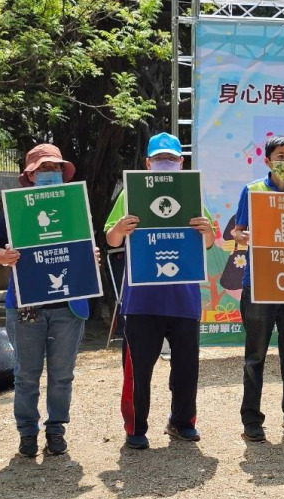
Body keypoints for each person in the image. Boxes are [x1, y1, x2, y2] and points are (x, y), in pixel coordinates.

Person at [104, 132, 216, 449]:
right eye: (159, 159)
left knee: (186, 370)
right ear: (147, 163)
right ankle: (135, 428)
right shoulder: (131, 193)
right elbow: (111, 239)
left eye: (171, 158)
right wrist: (119, 229)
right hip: (141, 300)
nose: (165, 163)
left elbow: (209, 242)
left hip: (184, 299)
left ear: (181, 162)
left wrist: (207, 231)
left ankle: (182, 422)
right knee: (138, 372)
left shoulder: (192, 193)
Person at [0, 143, 90, 457]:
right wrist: (4, 256)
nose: (49, 173)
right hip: (26, 305)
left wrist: (92, 258)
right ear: (30, 176)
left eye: (54, 167)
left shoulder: (76, 206)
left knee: (62, 375)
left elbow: (84, 249)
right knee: (26, 375)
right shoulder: (13, 209)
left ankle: (56, 430)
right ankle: (27, 433)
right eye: (42, 168)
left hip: (68, 306)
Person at [232, 135, 284, 441]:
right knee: (255, 356)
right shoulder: (253, 190)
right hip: (259, 283)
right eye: (280, 156)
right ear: (267, 160)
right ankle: (251, 420)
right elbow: (237, 231)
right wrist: (241, 237)